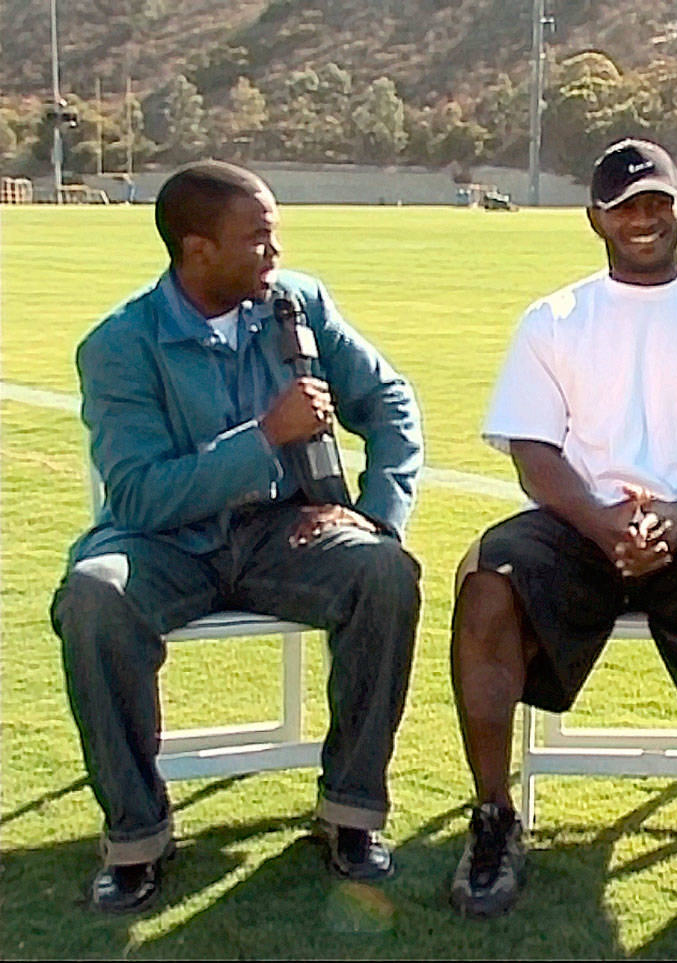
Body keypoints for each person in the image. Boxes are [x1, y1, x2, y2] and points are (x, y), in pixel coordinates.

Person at [448, 139, 677, 924]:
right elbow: (533, 452)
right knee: (485, 580)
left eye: (658, 203)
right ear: (595, 219)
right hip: (577, 524)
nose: (643, 219)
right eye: (624, 206)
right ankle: (492, 818)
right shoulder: (555, 320)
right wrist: (602, 519)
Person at [50, 160, 424, 914]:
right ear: (197, 251)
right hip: (164, 543)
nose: (275, 253)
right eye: (257, 239)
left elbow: (389, 401)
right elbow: (141, 493)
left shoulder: (296, 304)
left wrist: (377, 512)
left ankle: (350, 812)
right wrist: (264, 438)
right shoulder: (121, 344)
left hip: (284, 533)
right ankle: (136, 837)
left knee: (385, 571)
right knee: (94, 596)